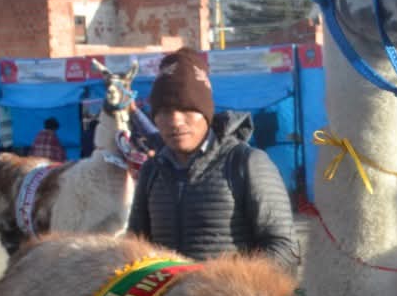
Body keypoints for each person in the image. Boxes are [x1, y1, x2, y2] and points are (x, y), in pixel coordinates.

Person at [126, 47, 299, 268]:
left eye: (186, 109)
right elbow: (135, 244)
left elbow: (285, 249)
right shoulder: (152, 170)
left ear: (206, 114)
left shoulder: (246, 163)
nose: (176, 121)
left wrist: (225, 285)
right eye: (165, 112)